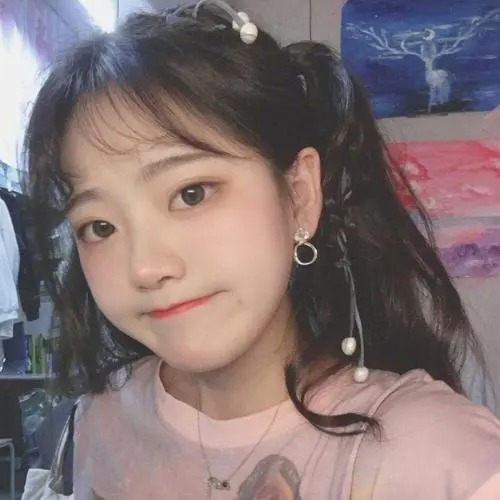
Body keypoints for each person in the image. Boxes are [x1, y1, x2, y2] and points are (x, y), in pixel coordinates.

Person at [22, 1, 500, 498]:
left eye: (191, 194)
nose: (145, 267)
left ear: (299, 195)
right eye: (99, 226)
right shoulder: (100, 422)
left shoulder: (436, 457)